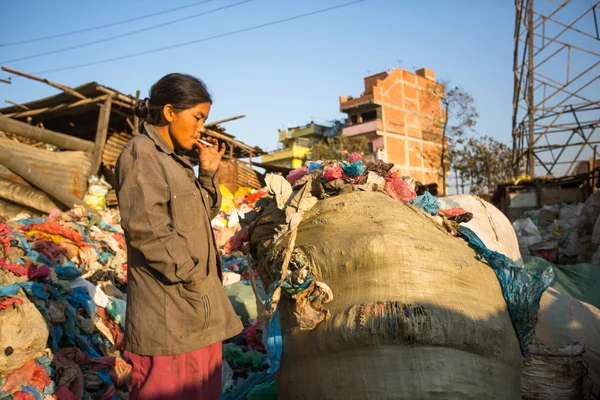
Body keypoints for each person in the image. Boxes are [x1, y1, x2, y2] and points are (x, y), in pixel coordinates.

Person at [115, 73, 243, 399]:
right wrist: (192, 277)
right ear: (170, 112)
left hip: (196, 313)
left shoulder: (178, 162)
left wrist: (209, 174)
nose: (202, 127)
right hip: (168, 317)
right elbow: (147, 228)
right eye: (197, 117)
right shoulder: (141, 153)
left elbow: (198, 218)